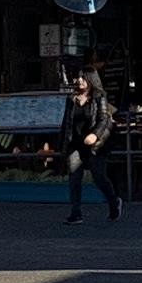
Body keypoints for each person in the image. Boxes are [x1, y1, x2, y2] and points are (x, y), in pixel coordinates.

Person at [60, 62, 123, 224]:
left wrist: (94, 135)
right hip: (76, 143)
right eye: (78, 77)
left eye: (83, 77)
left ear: (90, 79)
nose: (79, 80)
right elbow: (66, 123)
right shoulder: (71, 99)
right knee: (74, 177)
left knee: (98, 176)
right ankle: (76, 212)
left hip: (96, 145)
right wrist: (62, 145)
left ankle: (114, 202)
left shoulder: (99, 97)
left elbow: (103, 119)